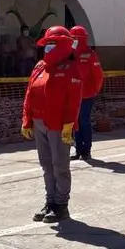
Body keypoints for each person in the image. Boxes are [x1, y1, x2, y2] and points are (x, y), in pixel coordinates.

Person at [21, 26, 83, 223]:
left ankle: (61, 205)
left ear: (64, 46)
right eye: (46, 44)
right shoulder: (40, 66)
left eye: (52, 44)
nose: (48, 47)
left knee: (60, 166)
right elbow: (29, 94)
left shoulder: (71, 68)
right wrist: (27, 120)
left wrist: (69, 124)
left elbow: (74, 100)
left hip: (58, 125)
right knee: (46, 165)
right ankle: (49, 202)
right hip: (39, 123)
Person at [69, 26, 103, 162]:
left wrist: (96, 90)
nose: (72, 41)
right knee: (75, 122)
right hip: (73, 95)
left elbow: (98, 75)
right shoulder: (70, 54)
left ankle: (86, 150)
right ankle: (78, 149)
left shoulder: (90, 54)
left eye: (74, 39)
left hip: (87, 95)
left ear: (80, 39)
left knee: (84, 121)